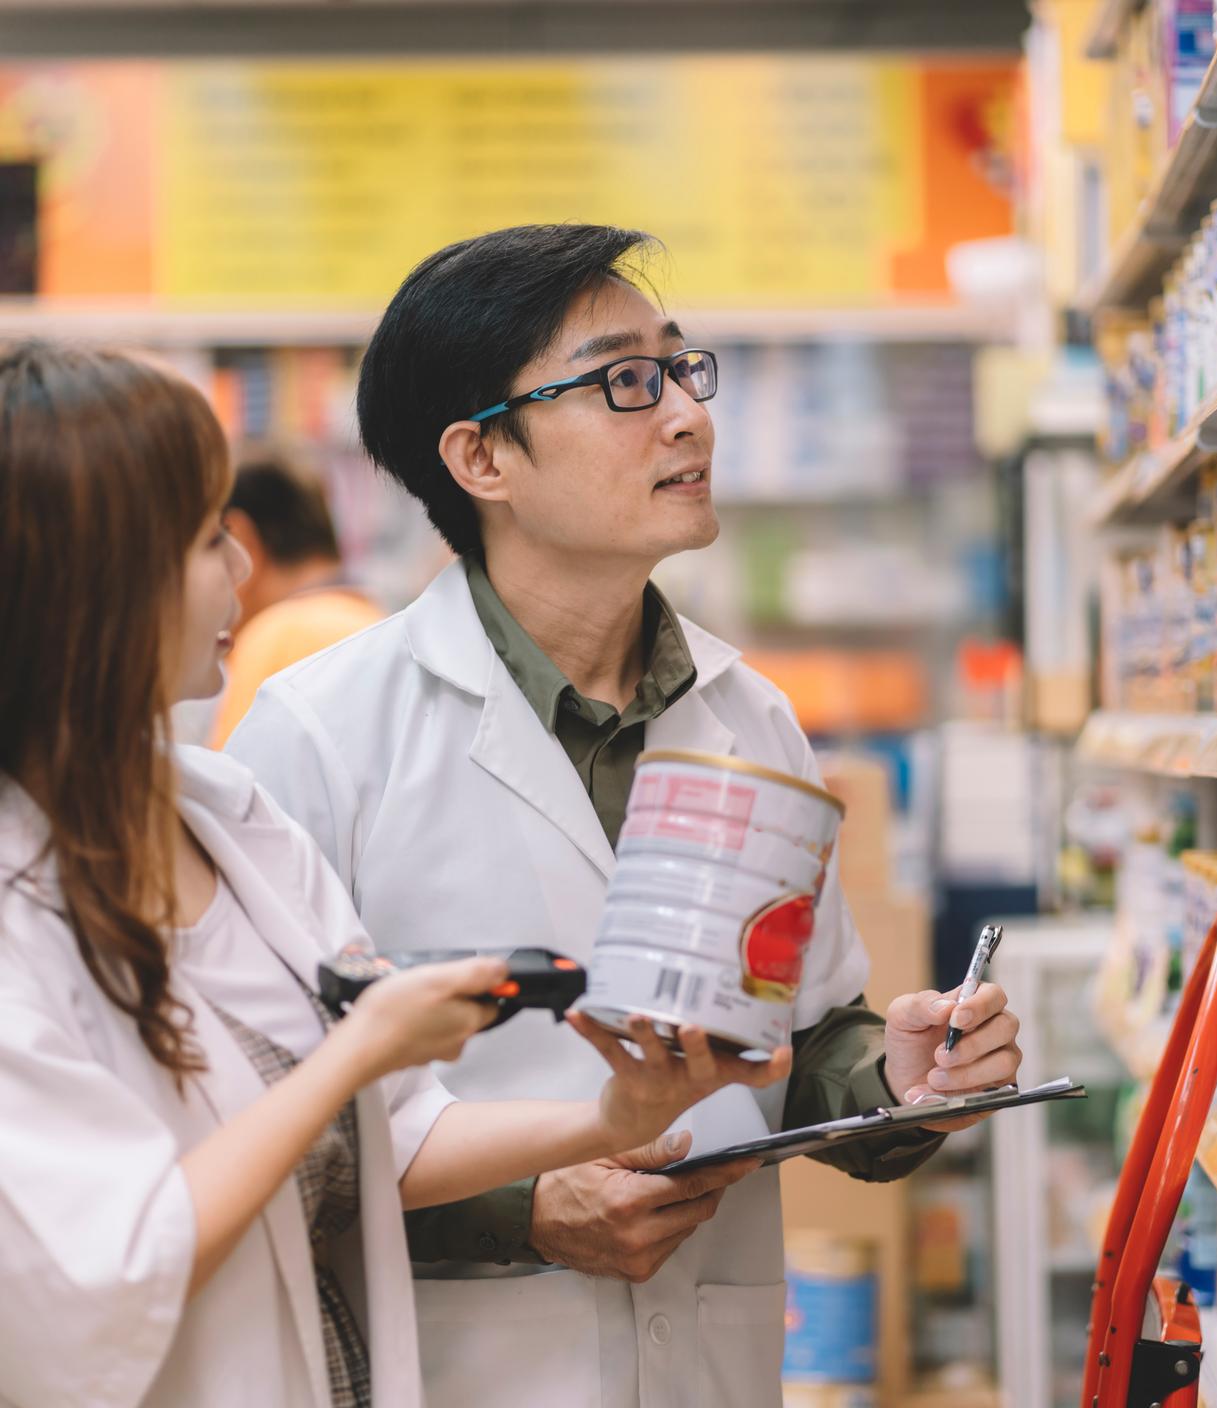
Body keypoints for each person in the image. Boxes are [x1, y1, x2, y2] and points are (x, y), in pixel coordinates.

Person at [227, 224, 1024, 1408]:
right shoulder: (318, 736)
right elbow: (250, 1131)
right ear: (481, 457)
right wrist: (524, 1209)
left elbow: (809, 1032)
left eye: (680, 368)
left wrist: (895, 1084)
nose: (688, 417)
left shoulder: (748, 714)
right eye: (622, 383)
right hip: (468, 1372)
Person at [0, 341, 789, 1408]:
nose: (241, 571)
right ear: (83, 585)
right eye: (202, 538)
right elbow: (98, 1274)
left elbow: (402, 1136)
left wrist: (617, 1116)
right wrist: (357, 1053)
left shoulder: (232, 822)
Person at [209, 455, 383, 748]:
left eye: (207, 543)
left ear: (242, 542)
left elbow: (233, 773)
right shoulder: (376, 623)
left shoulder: (279, 638)